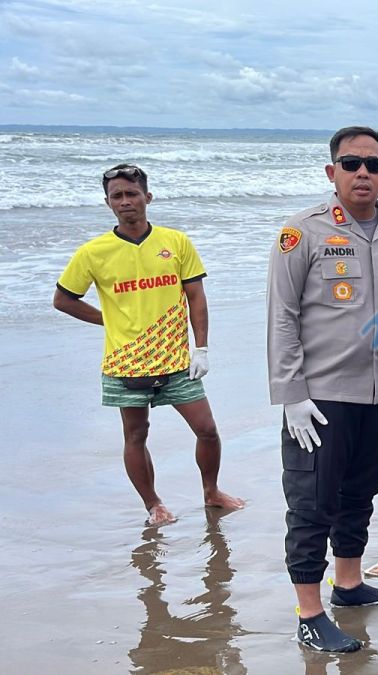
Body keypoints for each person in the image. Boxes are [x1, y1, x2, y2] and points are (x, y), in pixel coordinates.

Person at [268, 126, 378, 652]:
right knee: (311, 503)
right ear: (331, 171)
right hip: (321, 396)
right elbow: (282, 316)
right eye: (351, 163)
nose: (363, 173)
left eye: (373, 165)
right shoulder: (302, 232)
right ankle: (310, 614)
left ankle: (349, 585)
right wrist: (291, 393)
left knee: (361, 493)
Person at [53, 164, 244, 527]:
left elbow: (196, 298)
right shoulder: (94, 252)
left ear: (147, 197)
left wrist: (201, 349)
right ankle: (154, 505)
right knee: (136, 434)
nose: (125, 202)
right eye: (117, 196)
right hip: (126, 362)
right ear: (108, 203)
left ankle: (212, 492)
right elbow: (63, 299)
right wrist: (107, 320)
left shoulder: (175, 242)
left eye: (132, 194)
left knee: (207, 429)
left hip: (176, 360)